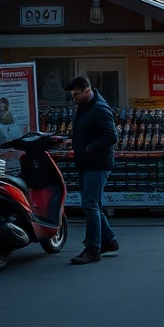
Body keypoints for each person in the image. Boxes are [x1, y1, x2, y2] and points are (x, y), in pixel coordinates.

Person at [64, 76, 119, 265]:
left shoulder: (100, 109)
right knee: (93, 205)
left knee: (90, 205)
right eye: (73, 95)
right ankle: (109, 241)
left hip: (96, 165)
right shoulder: (85, 108)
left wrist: (88, 149)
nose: (74, 98)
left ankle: (93, 249)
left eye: (77, 94)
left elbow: (112, 137)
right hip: (85, 164)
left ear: (88, 91)